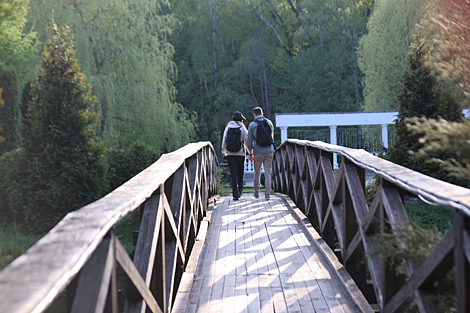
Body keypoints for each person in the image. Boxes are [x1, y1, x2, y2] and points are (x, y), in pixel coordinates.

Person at [247, 107, 274, 199]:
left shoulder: (252, 125)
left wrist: (250, 153)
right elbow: (271, 138)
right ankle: (267, 194)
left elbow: (249, 142)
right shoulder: (269, 122)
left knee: (257, 173)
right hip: (269, 151)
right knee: (268, 172)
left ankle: (256, 193)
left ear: (254, 115)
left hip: (258, 152)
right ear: (262, 114)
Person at [221, 111, 248, 201]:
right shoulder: (243, 128)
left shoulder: (228, 128)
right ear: (241, 119)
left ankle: (235, 194)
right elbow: (247, 141)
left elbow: (224, 141)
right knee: (240, 173)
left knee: (233, 174)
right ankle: (240, 191)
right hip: (240, 154)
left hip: (230, 153)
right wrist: (250, 152)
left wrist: (224, 153)